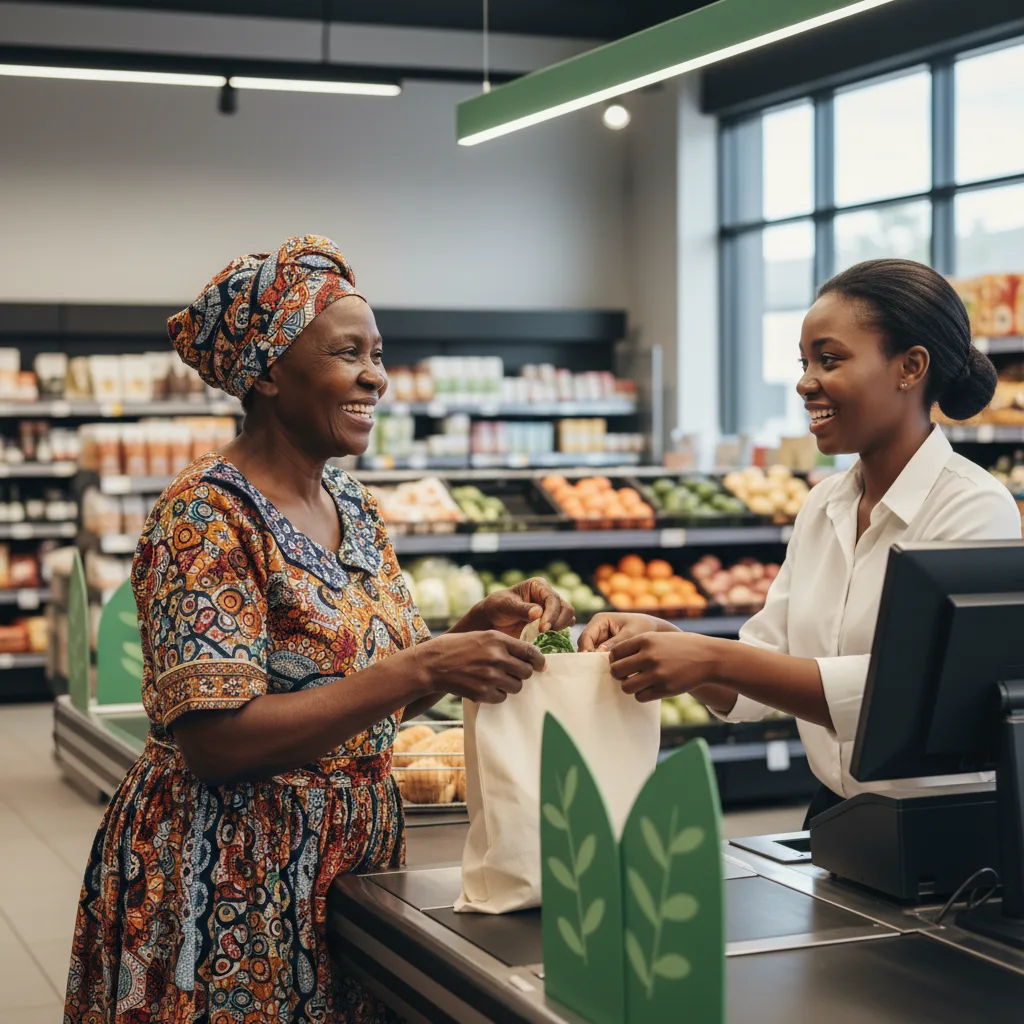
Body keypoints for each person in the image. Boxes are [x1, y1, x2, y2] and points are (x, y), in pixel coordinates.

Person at [65, 235, 574, 1023]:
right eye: (348, 353)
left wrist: (464, 639)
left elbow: (365, 698)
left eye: (378, 354)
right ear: (268, 371)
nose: (376, 375)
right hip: (227, 882)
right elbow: (215, 743)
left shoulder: (356, 508)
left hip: (349, 876)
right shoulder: (206, 516)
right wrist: (422, 667)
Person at [580, 259, 1021, 818]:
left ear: (910, 367)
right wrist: (668, 640)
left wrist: (711, 657)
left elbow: (907, 694)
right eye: (804, 362)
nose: (805, 382)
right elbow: (760, 673)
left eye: (829, 360)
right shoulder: (824, 504)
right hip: (837, 816)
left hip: (947, 830)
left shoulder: (973, 508)